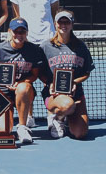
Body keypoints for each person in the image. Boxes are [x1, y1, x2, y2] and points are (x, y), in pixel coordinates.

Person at [10, 0, 60, 127]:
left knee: (50, 81)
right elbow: (17, 16)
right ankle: (28, 116)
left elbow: (55, 14)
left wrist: (53, 37)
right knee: (26, 81)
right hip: (27, 44)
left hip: (48, 43)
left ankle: (52, 117)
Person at [0, 18, 42, 144]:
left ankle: (22, 127)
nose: (19, 35)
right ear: (10, 32)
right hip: (3, 94)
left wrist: (22, 82)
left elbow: (35, 75)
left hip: (24, 92)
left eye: (22, 32)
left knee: (23, 88)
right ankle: (5, 121)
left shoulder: (34, 50)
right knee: (3, 132)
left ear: (27, 33)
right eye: (16, 32)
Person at [40, 10, 95, 139]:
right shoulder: (46, 46)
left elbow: (86, 73)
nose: (63, 25)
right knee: (66, 105)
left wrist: (75, 82)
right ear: (55, 24)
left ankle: (67, 117)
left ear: (72, 24)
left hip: (76, 94)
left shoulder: (81, 46)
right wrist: (50, 83)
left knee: (80, 133)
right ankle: (57, 117)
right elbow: (39, 73)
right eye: (60, 22)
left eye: (67, 22)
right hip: (54, 95)